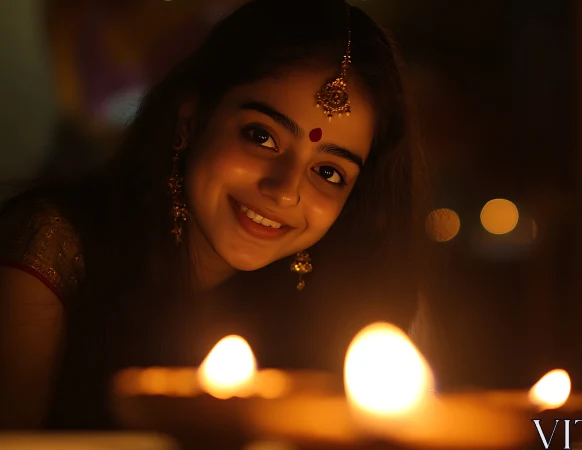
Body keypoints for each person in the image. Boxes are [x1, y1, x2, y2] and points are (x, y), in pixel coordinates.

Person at [0, 0, 436, 430]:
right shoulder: (53, 250)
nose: (284, 191)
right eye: (261, 136)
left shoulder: (334, 317)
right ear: (190, 121)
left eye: (328, 171)